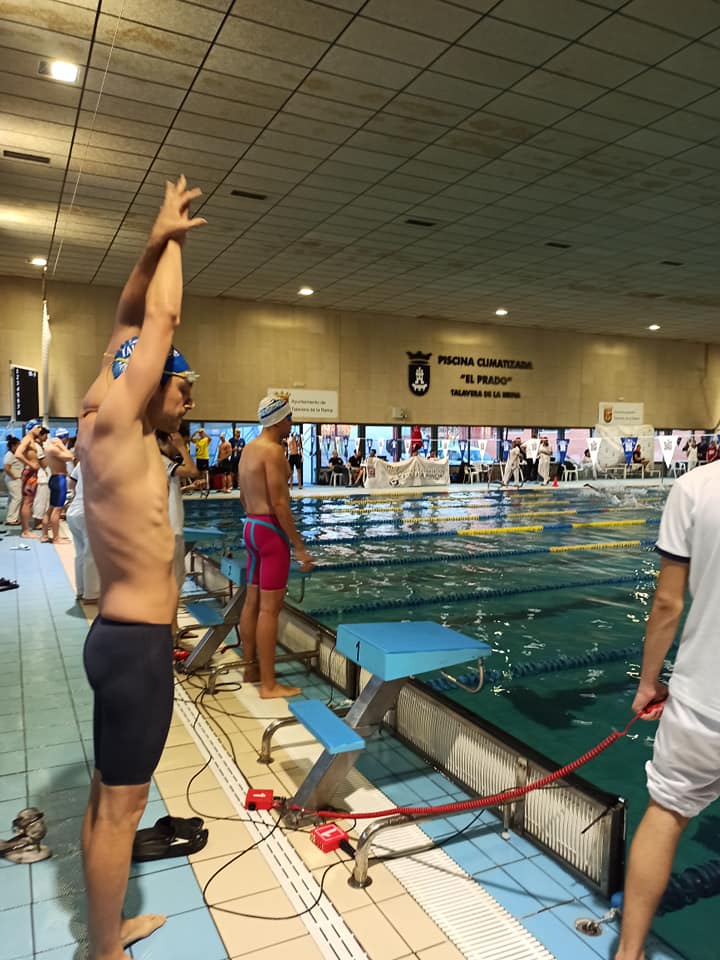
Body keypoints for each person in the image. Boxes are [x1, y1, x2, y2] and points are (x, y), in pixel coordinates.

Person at [75, 175, 205, 960]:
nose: (185, 396)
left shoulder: (98, 409)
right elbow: (160, 317)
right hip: (137, 651)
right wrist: (175, 236)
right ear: (149, 382)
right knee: (121, 811)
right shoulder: (122, 417)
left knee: (105, 799)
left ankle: (105, 930)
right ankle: (104, 951)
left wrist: (152, 245)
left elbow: (129, 321)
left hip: (115, 639)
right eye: (179, 384)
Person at [615, 454, 720, 960]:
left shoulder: (696, 487)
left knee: (667, 813)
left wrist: (648, 683)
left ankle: (629, 953)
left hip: (705, 699)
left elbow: (667, 604)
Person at [238, 394, 314, 698]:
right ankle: (269, 685)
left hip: (251, 527)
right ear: (279, 419)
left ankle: (250, 669)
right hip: (270, 532)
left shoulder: (249, 449)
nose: (291, 423)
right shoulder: (273, 452)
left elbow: (243, 496)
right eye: (290, 418)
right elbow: (281, 504)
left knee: (252, 601)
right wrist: (299, 546)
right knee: (269, 611)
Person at [157, 430, 199, 596]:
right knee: (174, 583)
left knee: (172, 581)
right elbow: (192, 471)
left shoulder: (159, 460)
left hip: (166, 529)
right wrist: (181, 447)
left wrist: (188, 488)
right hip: (170, 530)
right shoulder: (162, 460)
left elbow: (166, 491)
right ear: (171, 439)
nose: (184, 448)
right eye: (184, 443)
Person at [66, 462, 100, 604]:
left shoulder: (84, 461)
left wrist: (77, 495)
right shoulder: (104, 461)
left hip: (74, 511)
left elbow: (71, 481)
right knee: (91, 555)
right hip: (88, 513)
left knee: (81, 554)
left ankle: (81, 591)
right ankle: (91, 594)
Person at [14, 419, 46, 538]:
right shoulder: (27, 439)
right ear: (32, 428)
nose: (40, 430)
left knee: (28, 502)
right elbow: (18, 454)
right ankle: (25, 531)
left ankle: (25, 529)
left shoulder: (32, 440)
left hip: (32, 473)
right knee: (27, 502)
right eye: (38, 427)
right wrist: (31, 464)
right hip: (30, 473)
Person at [43, 428, 74, 543]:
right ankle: (56, 538)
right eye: (66, 439)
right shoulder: (55, 449)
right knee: (57, 509)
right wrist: (61, 445)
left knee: (51, 508)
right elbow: (70, 456)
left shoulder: (48, 447)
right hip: (59, 480)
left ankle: (44, 535)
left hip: (53, 478)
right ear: (64, 438)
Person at [3, 436, 22, 525]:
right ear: (13, 446)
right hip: (13, 480)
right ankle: (11, 519)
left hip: (14, 479)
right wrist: (14, 476)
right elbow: (6, 467)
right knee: (17, 498)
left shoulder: (15, 454)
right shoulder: (10, 455)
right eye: (19, 445)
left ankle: (12, 517)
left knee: (12, 498)